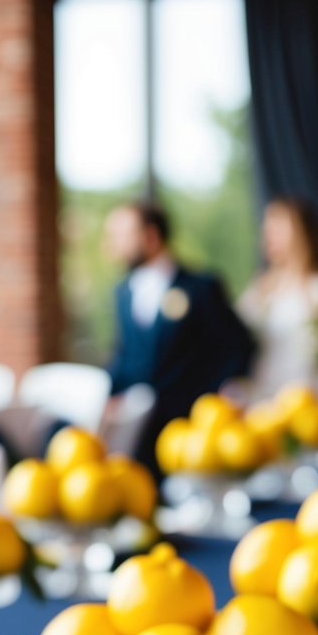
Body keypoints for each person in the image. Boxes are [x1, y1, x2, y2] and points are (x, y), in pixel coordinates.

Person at [104, 201, 256, 473]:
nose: (112, 244)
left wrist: (218, 394)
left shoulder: (201, 287)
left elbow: (238, 346)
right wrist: (108, 395)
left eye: (120, 235)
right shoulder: (122, 292)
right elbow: (123, 352)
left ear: (150, 237)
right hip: (135, 430)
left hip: (191, 432)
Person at [237, 197, 318, 400]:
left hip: (309, 396)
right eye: (267, 230)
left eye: (277, 229)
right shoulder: (259, 289)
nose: (269, 237)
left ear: (299, 233)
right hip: (265, 394)